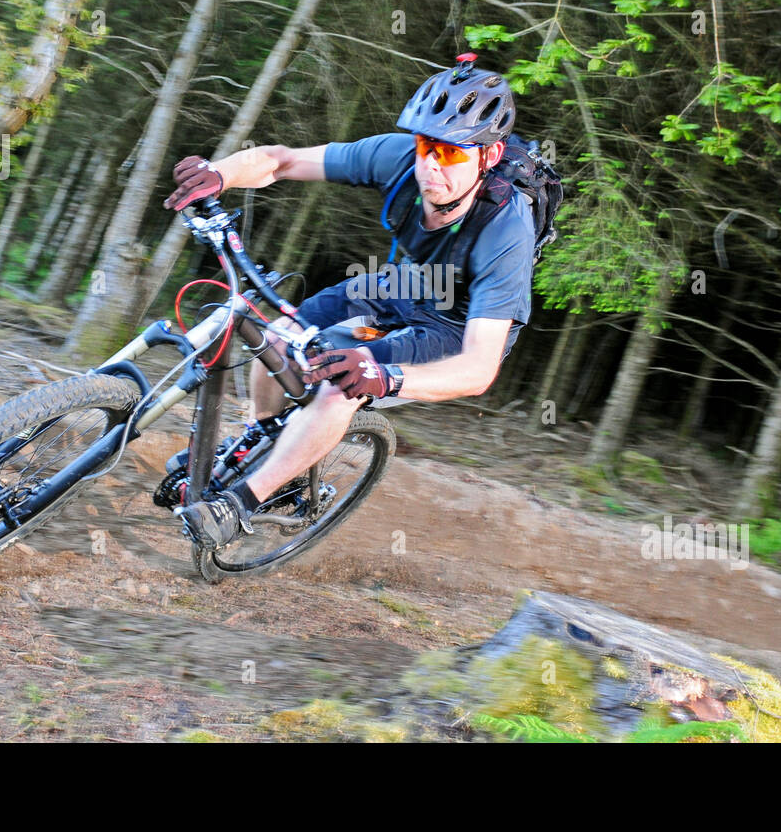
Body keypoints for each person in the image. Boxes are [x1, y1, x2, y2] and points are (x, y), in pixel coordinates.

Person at [161, 54, 536, 549]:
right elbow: (283, 159)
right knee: (277, 336)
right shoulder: (399, 157)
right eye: (426, 146)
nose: (429, 165)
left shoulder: (507, 231)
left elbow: (478, 368)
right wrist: (220, 174)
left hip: (455, 326)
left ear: (487, 157)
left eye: (450, 154)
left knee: (343, 385)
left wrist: (384, 375)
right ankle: (263, 434)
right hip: (401, 285)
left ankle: (240, 506)